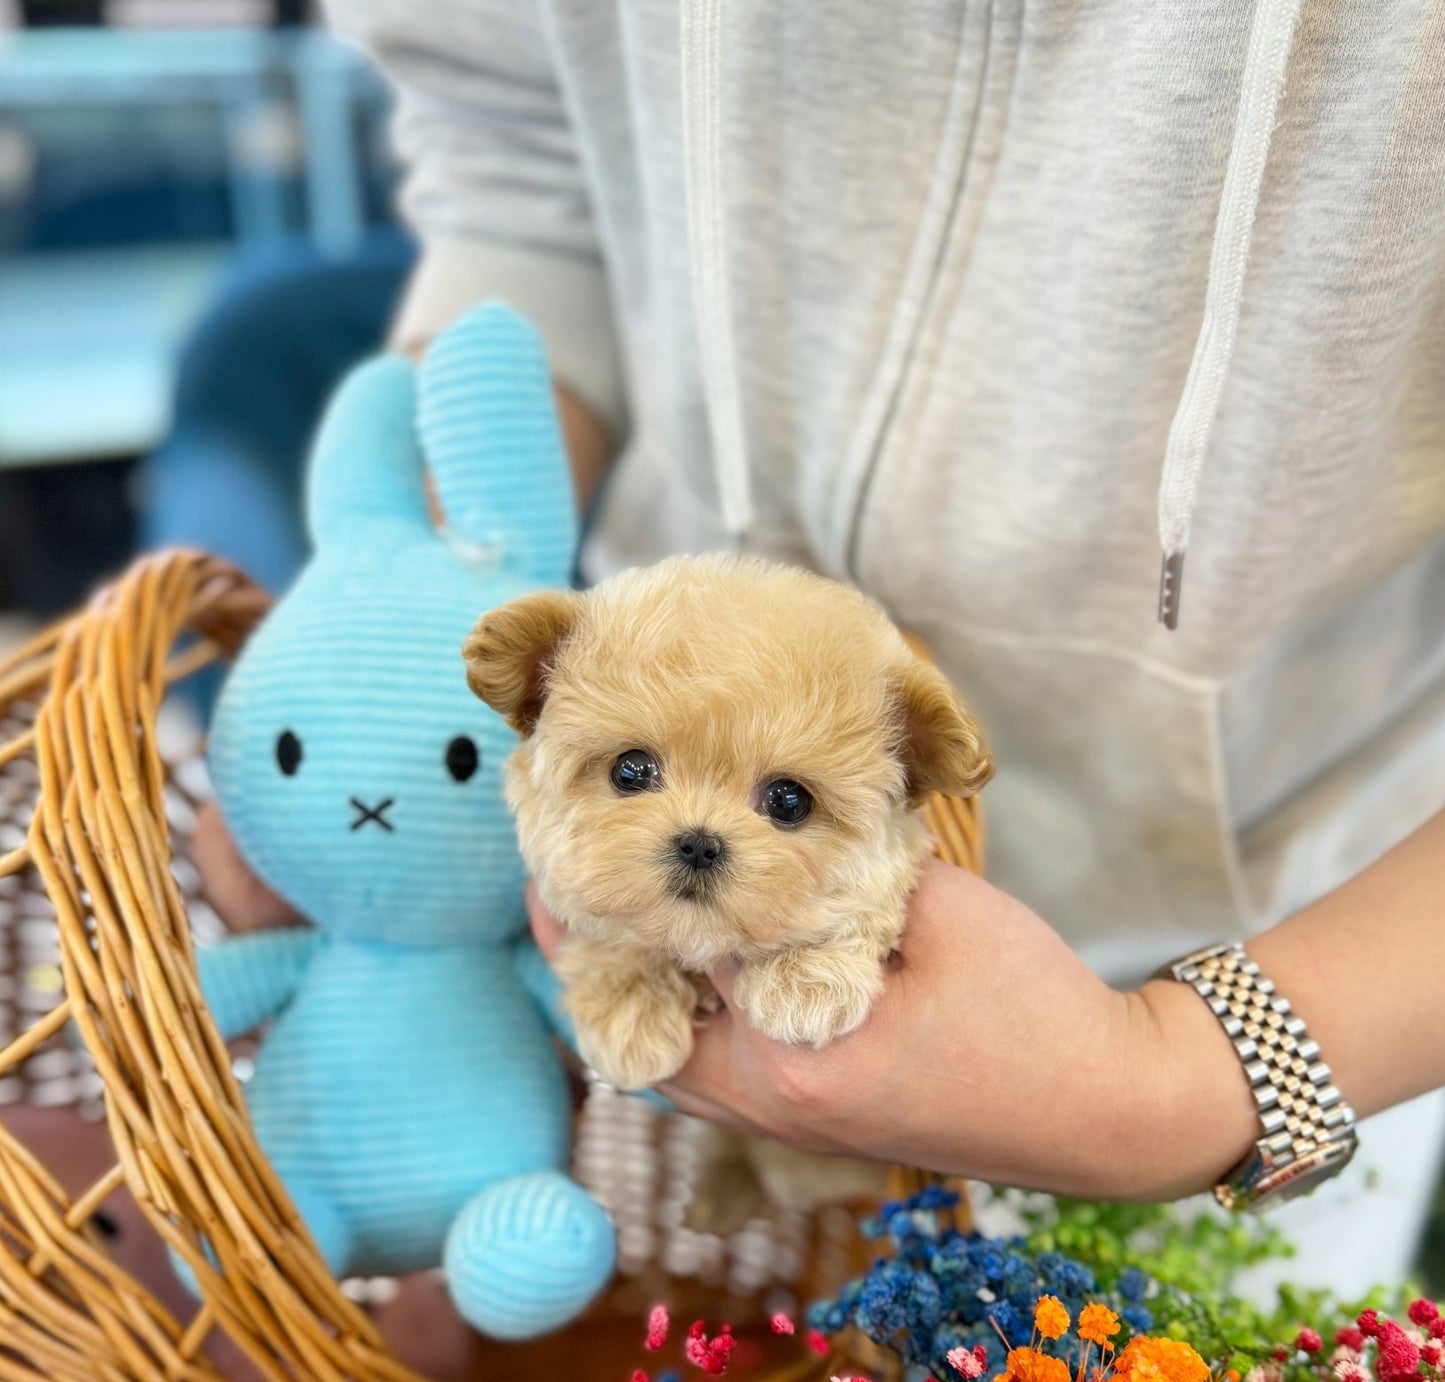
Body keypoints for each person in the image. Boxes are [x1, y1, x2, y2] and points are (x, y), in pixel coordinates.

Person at [201, 0, 1445, 1291]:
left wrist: (1175, 1080)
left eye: (779, 796)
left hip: (1302, 964)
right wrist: (384, 701)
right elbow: (522, 150)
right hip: (658, 1068)